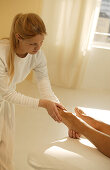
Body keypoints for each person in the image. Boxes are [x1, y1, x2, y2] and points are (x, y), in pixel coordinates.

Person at [0, 13, 65, 170]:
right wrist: (43, 104)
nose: (38, 48)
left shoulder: (37, 56)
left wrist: (64, 115)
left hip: (5, 105)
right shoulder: (1, 53)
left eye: (41, 42)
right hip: (5, 96)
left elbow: (45, 87)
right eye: (33, 44)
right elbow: (6, 93)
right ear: (18, 37)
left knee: (6, 155)